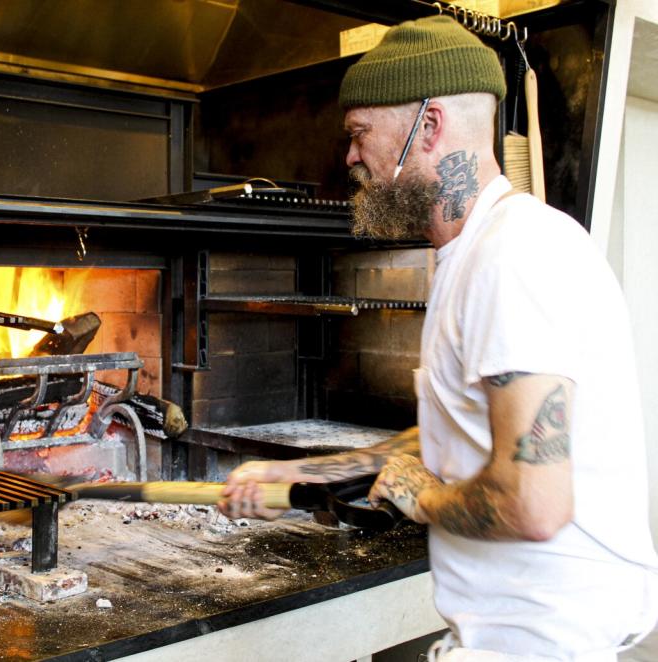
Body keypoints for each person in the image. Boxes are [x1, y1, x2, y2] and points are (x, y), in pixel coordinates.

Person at [220, 15, 658, 661]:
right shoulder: (474, 253)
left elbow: (531, 503)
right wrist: (305, 472)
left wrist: (417, 495)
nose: (349, 157)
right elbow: (452, 429)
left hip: (538, 642)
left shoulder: (515, 257)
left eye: (359, 134)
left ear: (426, 128)